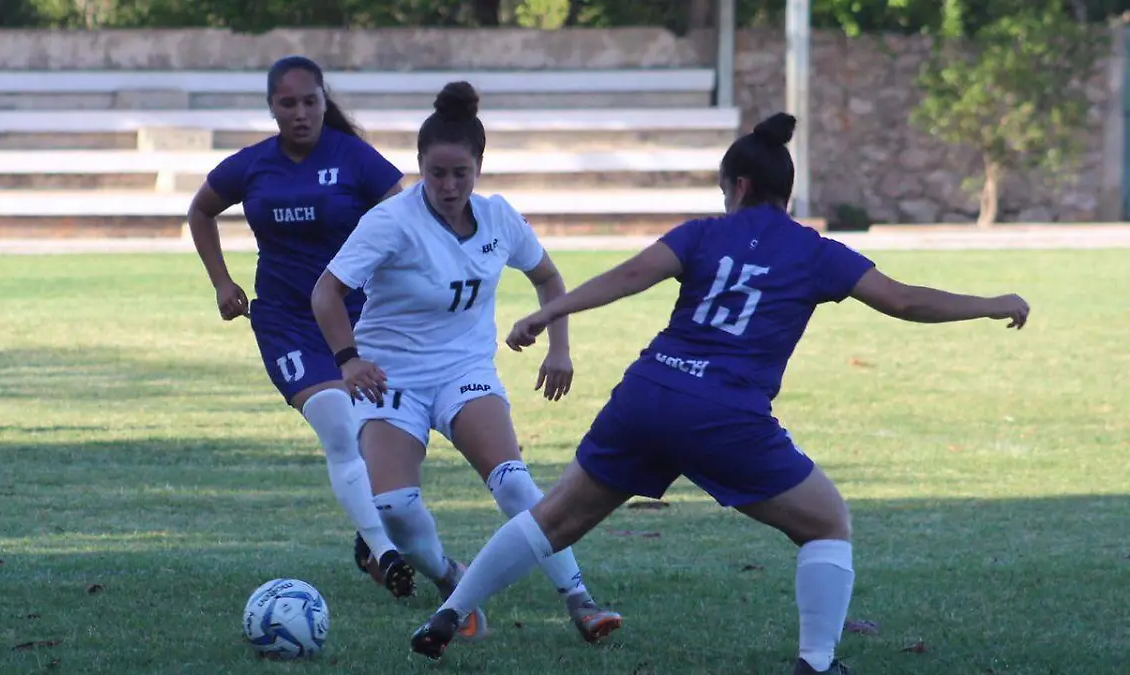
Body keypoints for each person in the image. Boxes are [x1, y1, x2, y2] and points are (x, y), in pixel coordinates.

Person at [409, 112, 1032, 673]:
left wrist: (549, 313)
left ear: (736, 187)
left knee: (555, 518)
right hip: (725, 414)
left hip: (648, 394)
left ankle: (449, 613)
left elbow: (630, 276)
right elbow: (904, 300)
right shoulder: (815, 251)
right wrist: (990, 304)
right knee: (826, 523)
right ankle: (816, 664)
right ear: (783, 194)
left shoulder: (703, 234)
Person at [310, 81, 622, 644]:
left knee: (514, 485)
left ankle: (581, 602)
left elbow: (548, 276)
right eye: (436, 174)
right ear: (419, 168)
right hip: (392, 378)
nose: (449, 186)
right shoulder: (391, 222)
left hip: (464, 373)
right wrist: (349, 360)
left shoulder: (499, 218)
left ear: (480, 165)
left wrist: (559, 346)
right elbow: (325, 293)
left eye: (461, 173)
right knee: (397, 509)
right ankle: (449, 577)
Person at [186, 55, 416, 599]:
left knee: (376, 441)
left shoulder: (353, 157)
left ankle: (371, 537)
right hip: (286, 322)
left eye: (309, 100)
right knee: (338, 426)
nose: (300, 112)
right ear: (271, 107)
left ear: (322, 100)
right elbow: (200, 211)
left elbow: (404, 218)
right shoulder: (253, 165)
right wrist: (222, 282)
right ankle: (385, 551)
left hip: (357, 320)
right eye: (287, 103)